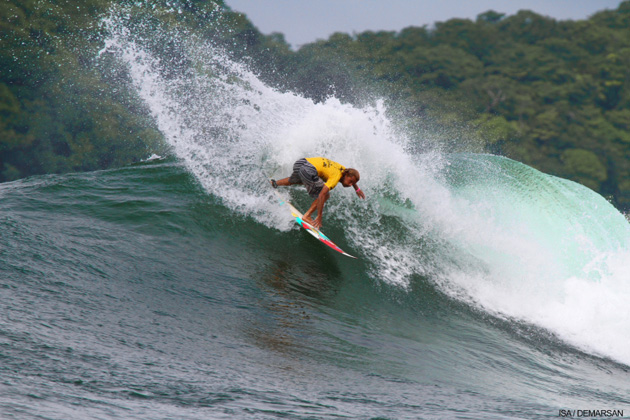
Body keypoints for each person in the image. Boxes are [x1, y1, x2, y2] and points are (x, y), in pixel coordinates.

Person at [271, 157, 365, 229]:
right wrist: (319, 216)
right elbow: (322, 195)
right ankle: (307, 216)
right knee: (326, 194)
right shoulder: (335, 177)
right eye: (351, 181)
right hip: (308, 169)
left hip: (301, 163)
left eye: (353, 183)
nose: (351, 184)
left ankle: (274, 183)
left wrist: (357, 189)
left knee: (298, 180)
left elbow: (352, 178)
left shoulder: (344, 170)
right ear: (347, 175)